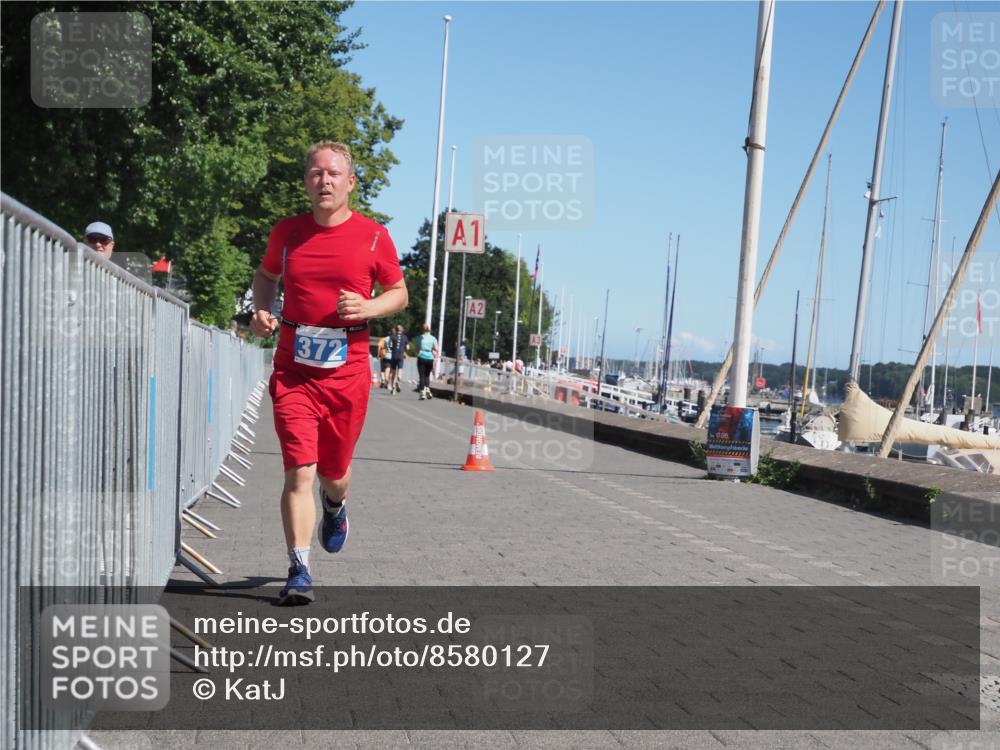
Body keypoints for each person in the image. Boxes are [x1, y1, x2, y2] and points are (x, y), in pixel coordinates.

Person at [249, 141, 407, 605]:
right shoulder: (287, 232)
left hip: (347, 372)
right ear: (306, 182)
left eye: (334, 174)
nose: (325, 181)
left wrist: (369, 305)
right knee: (300, 470)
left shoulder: (374, 236)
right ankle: (299, 570)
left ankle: (336, 506)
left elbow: (398, 293)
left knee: (333, 473)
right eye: (316, 174)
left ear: (351, 183)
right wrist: (261, 310)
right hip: (294, 370)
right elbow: (265, 277)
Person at [415, 323, 438, 400]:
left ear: (422, 330)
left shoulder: (419, 338)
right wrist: (432, 350)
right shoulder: (433, 338)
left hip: (421, 357)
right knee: (427, 375)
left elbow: (417, 349)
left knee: (422, 375)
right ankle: (427, 389)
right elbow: (436, 349)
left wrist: (418, 352)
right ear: (429, 330)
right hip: (430, 358)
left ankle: (422, 393)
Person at [388, 324, 408, 394]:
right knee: (400, 369)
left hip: (394, 355)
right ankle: (399, 380)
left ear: (395, 330)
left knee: (393, 372)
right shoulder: (405, 337)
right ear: (402, 330)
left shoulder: (392, 337)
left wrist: (393, 348)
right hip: (400, 355)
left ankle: (393, 387)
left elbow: (389, 345)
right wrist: (404, 351)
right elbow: (407, 347)